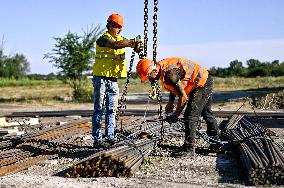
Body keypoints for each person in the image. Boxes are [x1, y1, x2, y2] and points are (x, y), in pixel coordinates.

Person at [136, 57, 219, 156]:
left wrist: (175, 115)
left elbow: (183, 97)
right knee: (206, 113)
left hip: (202, 83)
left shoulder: (169, 74)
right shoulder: (163, 69)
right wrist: (171, 102)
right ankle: (216, 143)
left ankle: (189, 148)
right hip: (202, 80)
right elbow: (175, 87)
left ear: (154, 71)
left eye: (149, 77)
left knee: (190, 115)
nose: (150, 80)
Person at [92, 13, 141, 148]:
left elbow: (129, 45)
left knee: (111, 109)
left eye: (121, 27)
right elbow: (115, 45)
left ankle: (110, 137)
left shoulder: (121, 39)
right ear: (110, 25)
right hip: (100, 78)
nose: (119, 29)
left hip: (113, 80)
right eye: (117, 26)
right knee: (99, 109)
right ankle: (97, 139)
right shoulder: (103, 39)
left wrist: (138, 45)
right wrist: (132, 42)